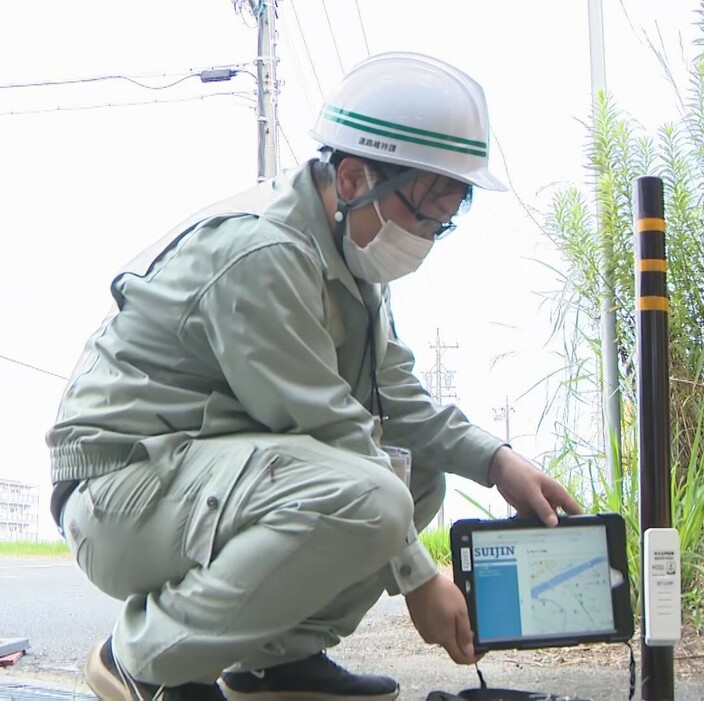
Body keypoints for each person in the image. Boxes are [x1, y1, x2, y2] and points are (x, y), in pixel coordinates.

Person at [46, 51, 582, 701]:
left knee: (413, 474)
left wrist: (496, 461)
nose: (429, 237)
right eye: (422, 215)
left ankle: (277, 659)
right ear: (355, 177)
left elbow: (397, 397)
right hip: (121, 491)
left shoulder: (348, 260)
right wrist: (419, 578)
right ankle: (144, 657)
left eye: (444, 223)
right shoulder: (265, 252)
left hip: (194, 475)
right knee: (373, 493)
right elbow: (330, 425)